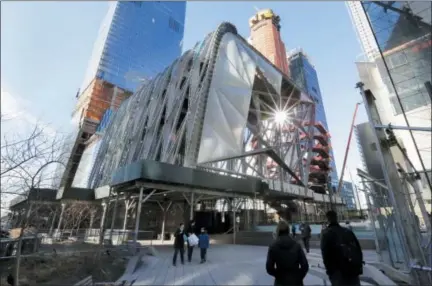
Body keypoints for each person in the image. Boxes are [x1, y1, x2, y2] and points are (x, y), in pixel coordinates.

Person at [321, 211, 363, 286]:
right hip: (352, 270)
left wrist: (330, 272)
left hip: (338, 273)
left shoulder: (326, 234)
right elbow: (358, 250)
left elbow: (326, 256)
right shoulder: (348, 232)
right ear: (336, 218)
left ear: (327, 219)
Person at [266, 220, 309, 286]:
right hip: (296, 282)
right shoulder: (296, 245)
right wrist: (298, 277)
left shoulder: (273, 247)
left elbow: (269, 268)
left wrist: (278, 275)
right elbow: (305, 266)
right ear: (288, 230)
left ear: (277, 231)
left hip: (280, 282)